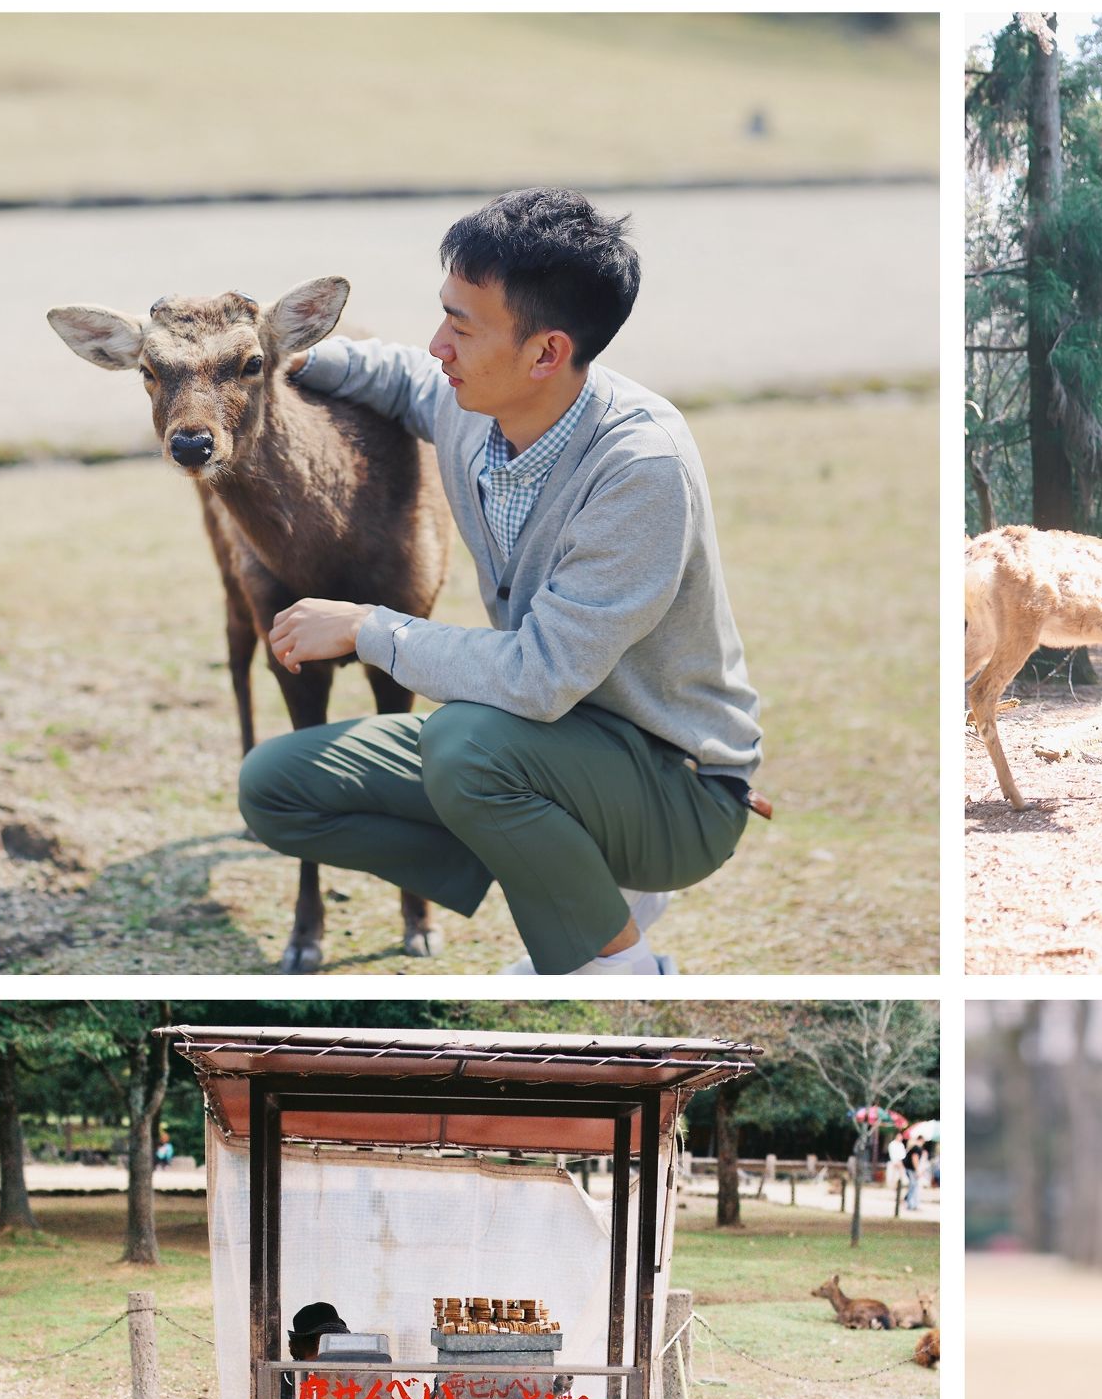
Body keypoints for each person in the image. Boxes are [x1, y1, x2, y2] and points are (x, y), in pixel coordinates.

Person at [237, 187, 764, 975]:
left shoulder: (639, 471)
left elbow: (539, 677)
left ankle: (610, 962)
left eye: (461, 325)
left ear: (546, 353)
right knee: (276, 783)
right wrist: (276, 358)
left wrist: (366, 628)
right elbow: (398, 373)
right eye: (444, 313)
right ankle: (554, 874)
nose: (439, 345)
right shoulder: (477, 402)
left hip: (673, 786)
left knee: (463, 741)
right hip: (543, 749)